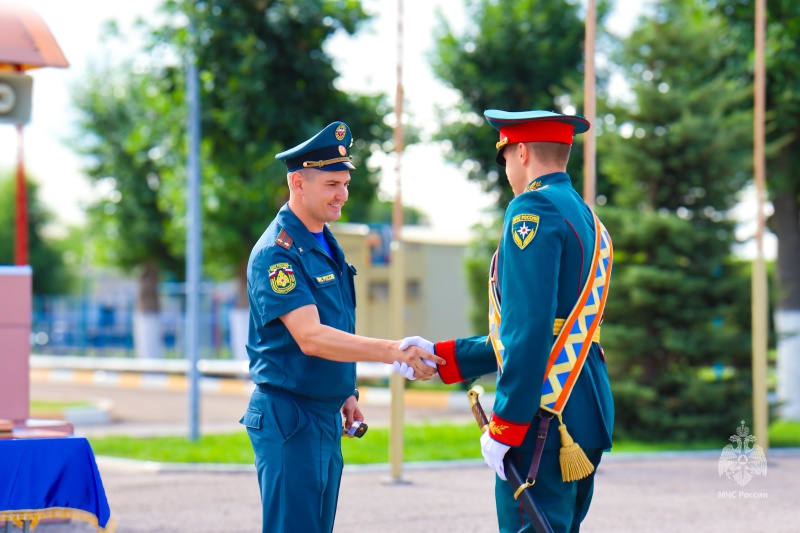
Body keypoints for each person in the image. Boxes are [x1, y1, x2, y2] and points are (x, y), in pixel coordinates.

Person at [397, 110, 614, 533]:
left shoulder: (531, 209)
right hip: (584, 406)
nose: (509, 173)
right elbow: (554, 330)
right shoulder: (587, 217)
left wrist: (506, 424)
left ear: (521, 152)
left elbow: (529, 330)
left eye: (507, 160)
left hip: (545, 416)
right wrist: (446, 356)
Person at [241, 121, 443, 533]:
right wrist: (392, 351)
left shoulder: (324, 241)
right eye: (332, 184)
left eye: (345, 183)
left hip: (323, 414)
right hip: (289, 419)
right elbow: (311, 337)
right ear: (298, 182)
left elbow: (337, 323)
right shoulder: (277, 253)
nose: (343, 195)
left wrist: (346, 391)